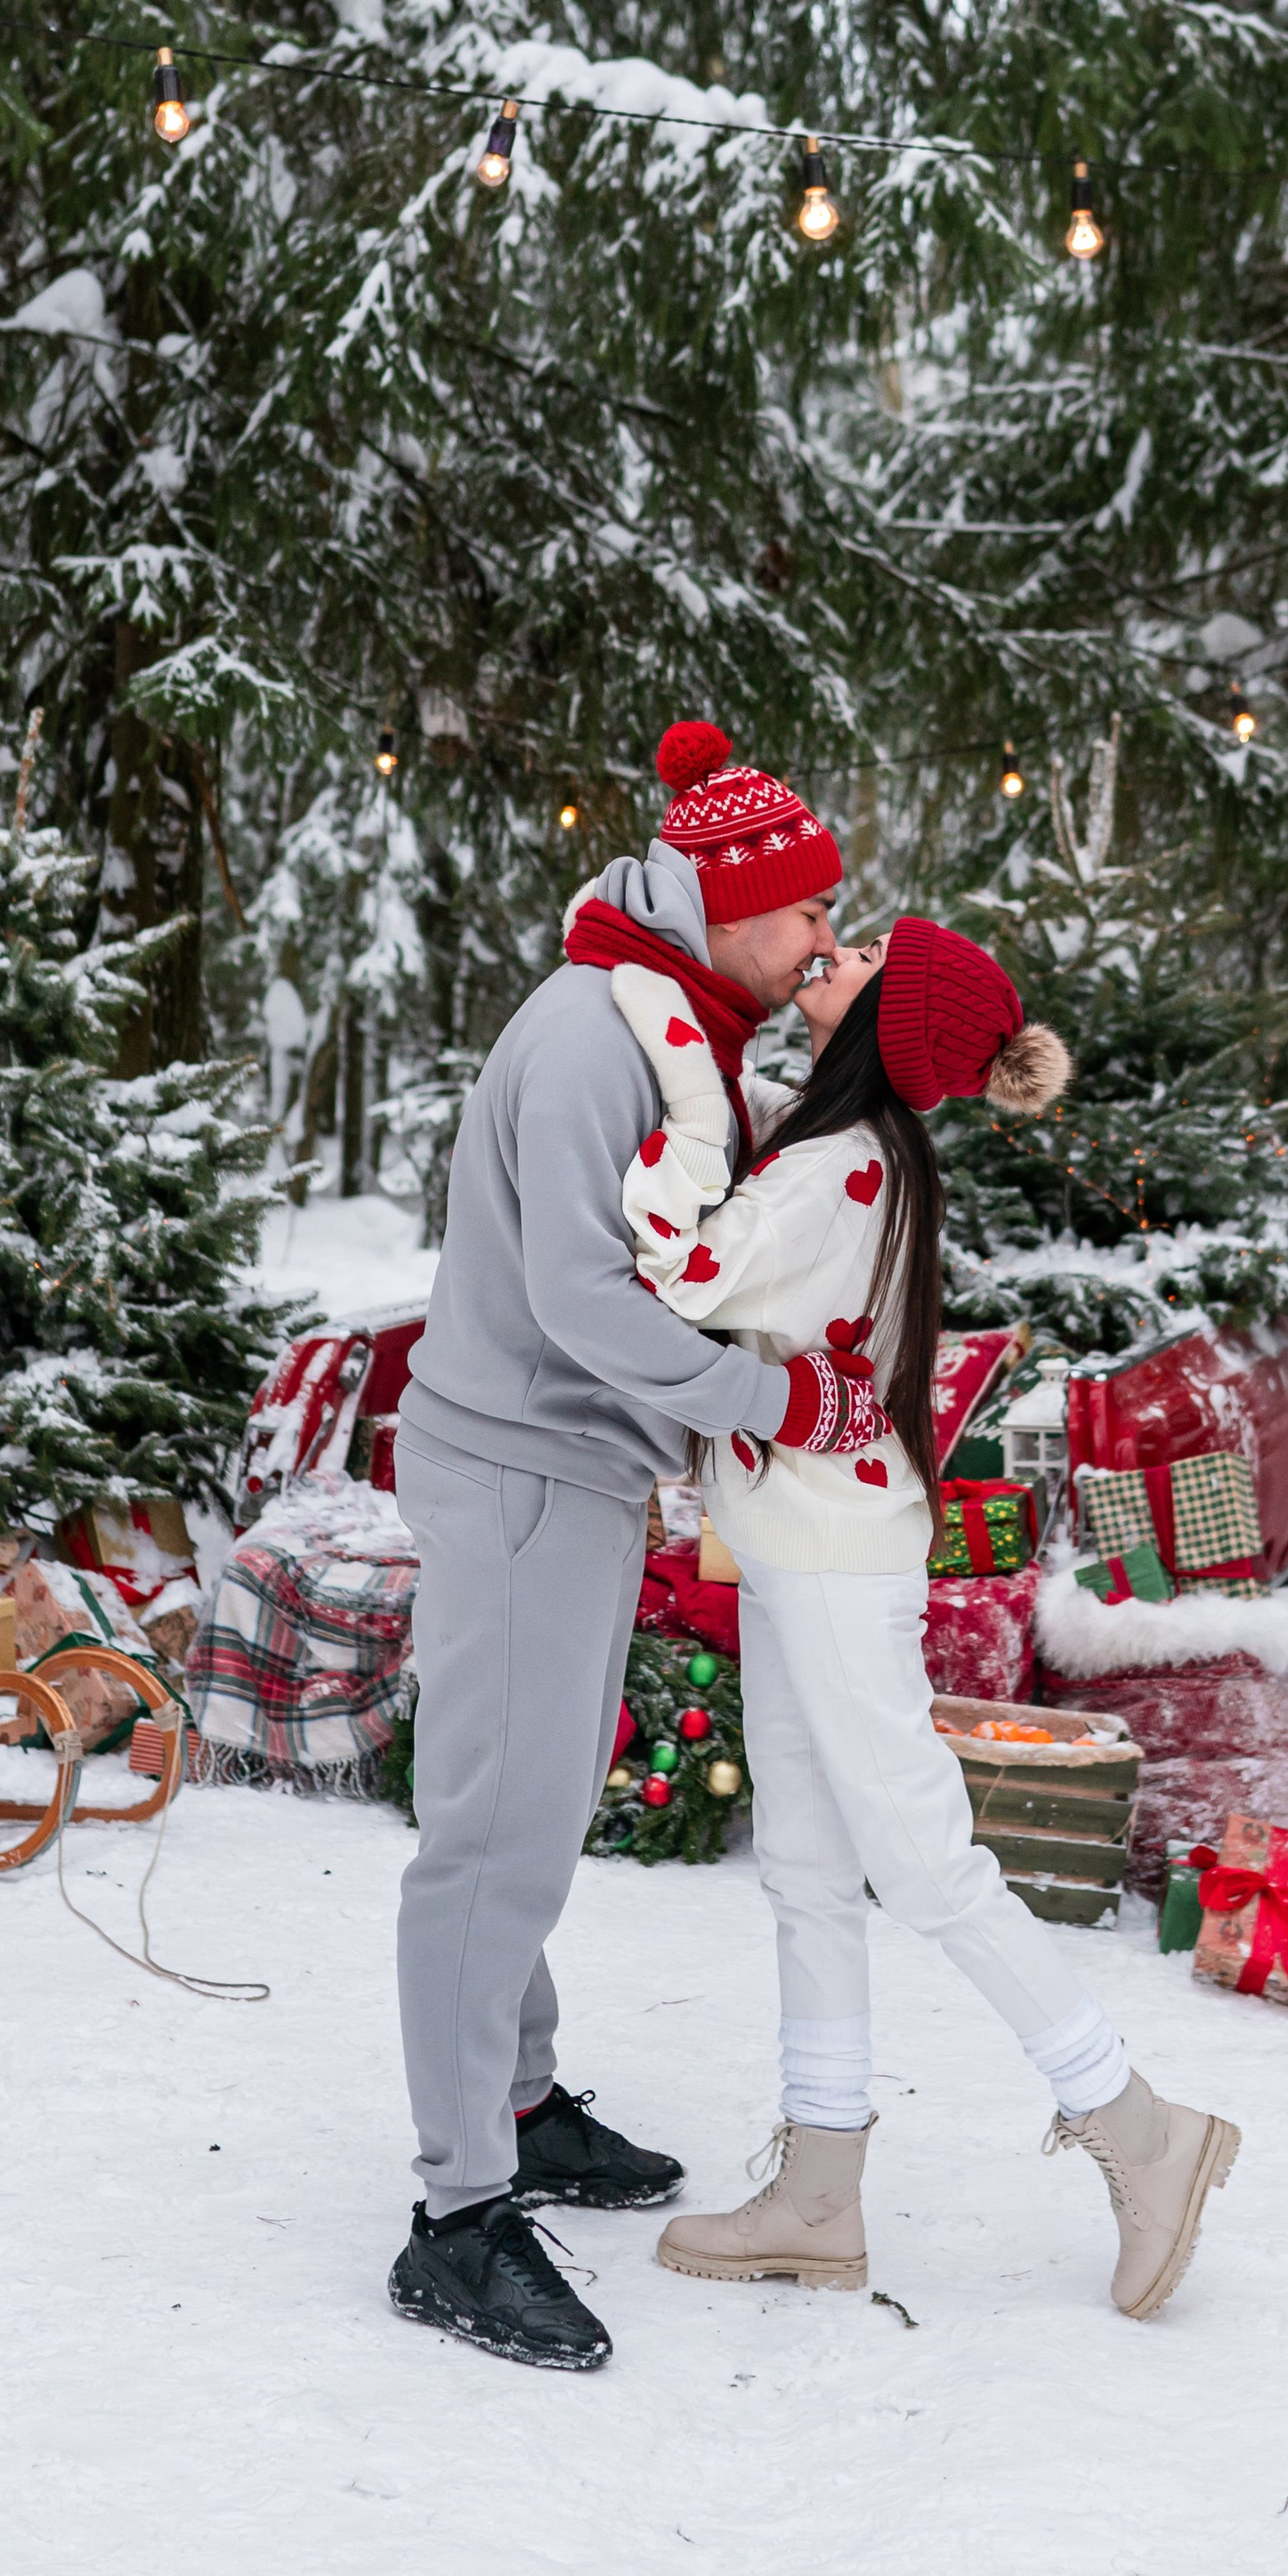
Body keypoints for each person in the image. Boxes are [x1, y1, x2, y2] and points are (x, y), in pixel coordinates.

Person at [616, 916, 1242, 2321]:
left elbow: (683, 1265)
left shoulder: (843, 1162)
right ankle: (821, 2187)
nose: (816, 965)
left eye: (846, 961)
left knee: (922, 1856)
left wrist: (682, 1078)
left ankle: (1141, 2129)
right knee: (803, 1860)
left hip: (831, 1556)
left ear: (885, 1021)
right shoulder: (849, 1150)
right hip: (792, 1542)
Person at [386, 722, 894, 2372]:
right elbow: (579, 1298)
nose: (825, 940)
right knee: (491, 1841)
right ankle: (457, 2217)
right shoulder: (596, 1042)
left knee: (530, 1812)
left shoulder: (663, 1017)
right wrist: (765, 1400)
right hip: (525, 1467)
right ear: (732, 911)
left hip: (572, 1470)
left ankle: (517, 2106)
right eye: (807, 915)